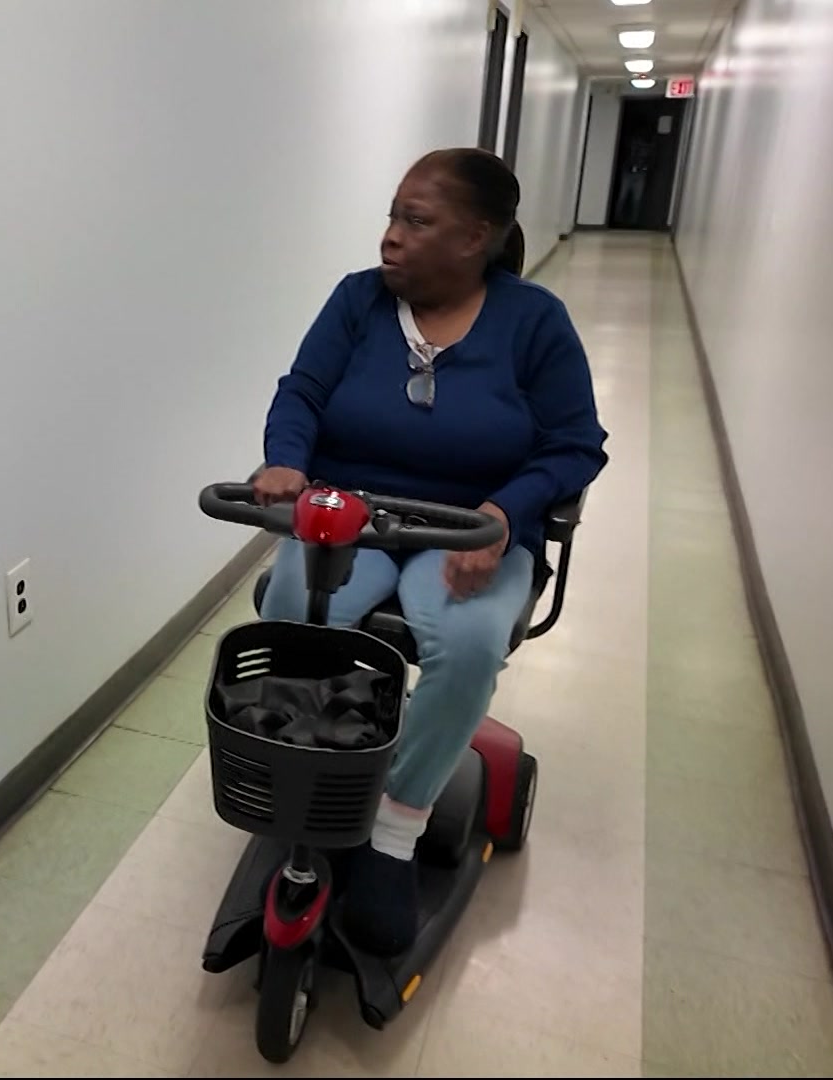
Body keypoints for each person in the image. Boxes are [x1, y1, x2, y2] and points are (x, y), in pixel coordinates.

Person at [254, 148, 607, 955]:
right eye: (392, 216)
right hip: (357, 514)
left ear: (475, 237)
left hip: (469, 531)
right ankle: (316, 787)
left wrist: (506, 512)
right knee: (296, 609)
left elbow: (576, 444)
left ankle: (393, 830)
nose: (390, 236)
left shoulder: (534, 321)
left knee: (470, 643)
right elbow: (302, 391)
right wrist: (287, 460)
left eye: (415, 221)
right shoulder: (358, 301)